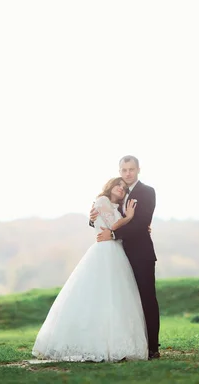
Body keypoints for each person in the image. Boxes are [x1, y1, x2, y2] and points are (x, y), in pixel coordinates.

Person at [32, 177, 148, 362]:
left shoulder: (118, 207)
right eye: (118, 184)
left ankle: (114, 343)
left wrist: (138, 225)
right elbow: (111, 226)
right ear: (110, 186)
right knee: (97, 294)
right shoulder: (101, 201)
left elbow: (121, 230)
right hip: (104, 252)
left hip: (117, 252)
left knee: (115, 297)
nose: (121, 188)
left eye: (124, 188)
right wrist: (129, 218)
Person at [89, 155, 161, 360]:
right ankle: (126, 344)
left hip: (140, 254)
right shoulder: (118, 195)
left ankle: (153, 348)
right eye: (124, 170)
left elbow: (140, 223)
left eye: (131, 169)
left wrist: (113, 234)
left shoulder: (147, 192)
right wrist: (92, 217)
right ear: (119, 171)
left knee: (147, 299)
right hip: (118, 255)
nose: (128, 173)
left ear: (138, 169)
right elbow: (108, 215)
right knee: (122, 301)